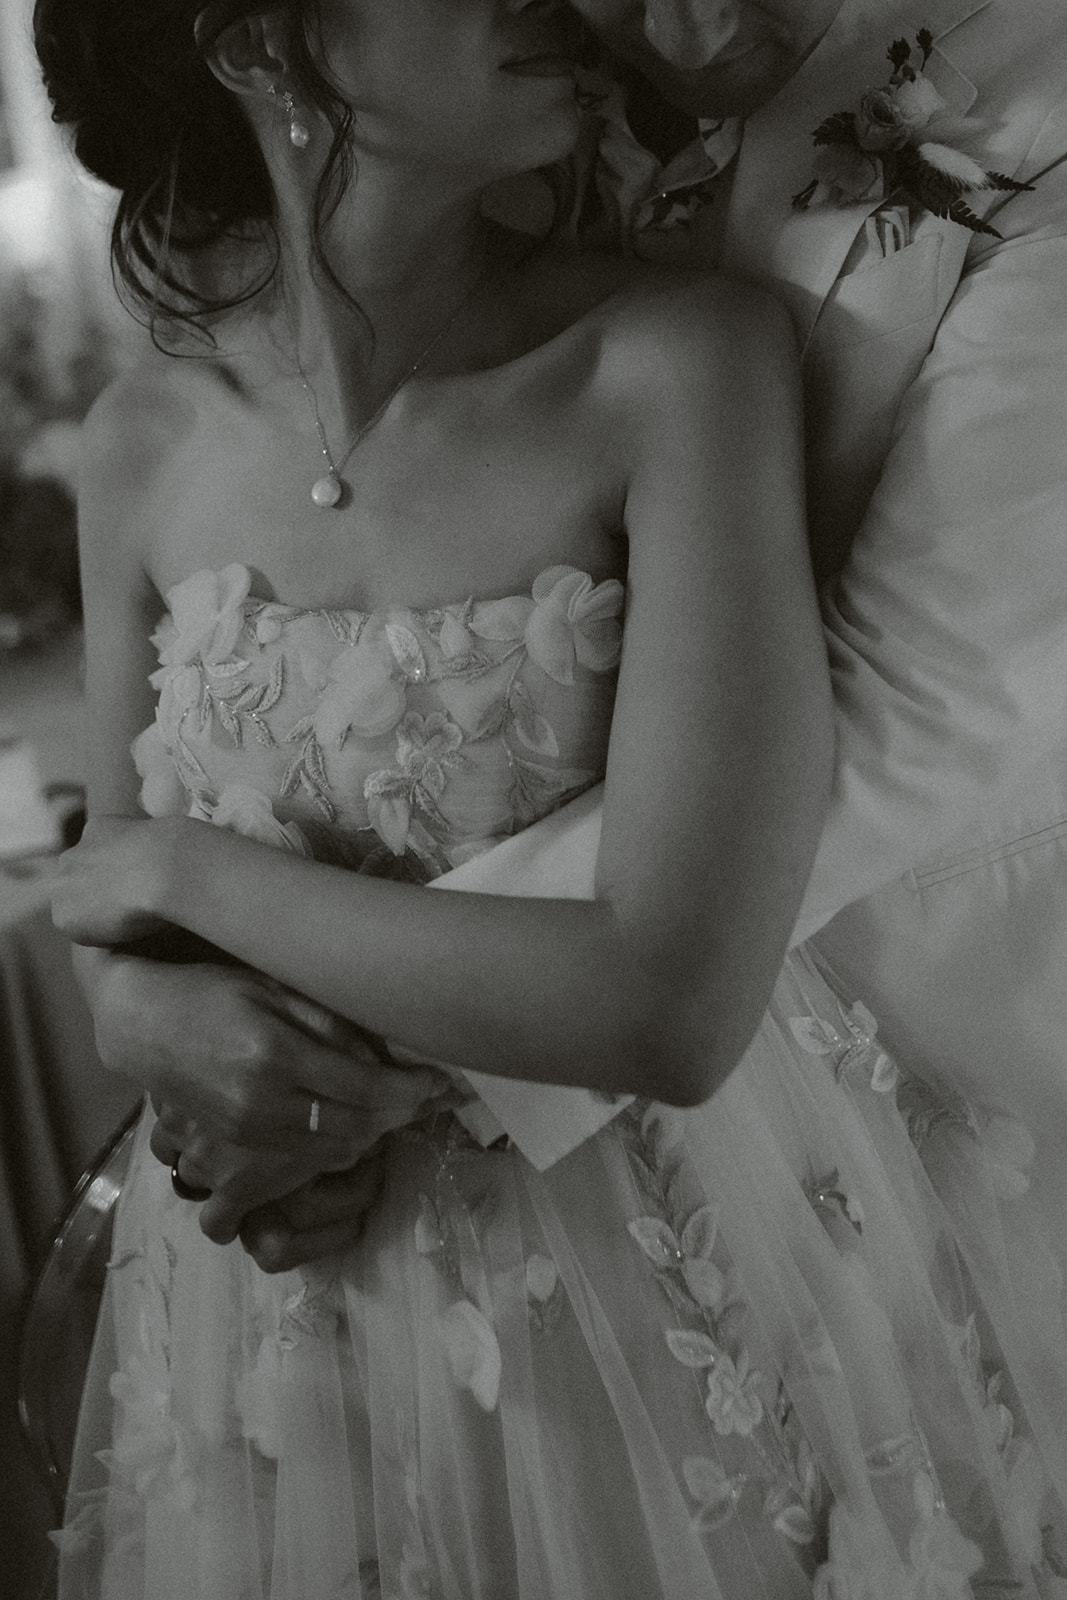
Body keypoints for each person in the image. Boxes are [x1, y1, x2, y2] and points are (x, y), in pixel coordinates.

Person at [38, 2, 1067, 1598]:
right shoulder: (134, 449)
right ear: (257, 45)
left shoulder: (678, 357)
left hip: (676, 1239)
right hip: (285, 1295)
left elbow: (682, 978)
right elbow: (117, 925)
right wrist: (129, 1001)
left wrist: (188, 877)